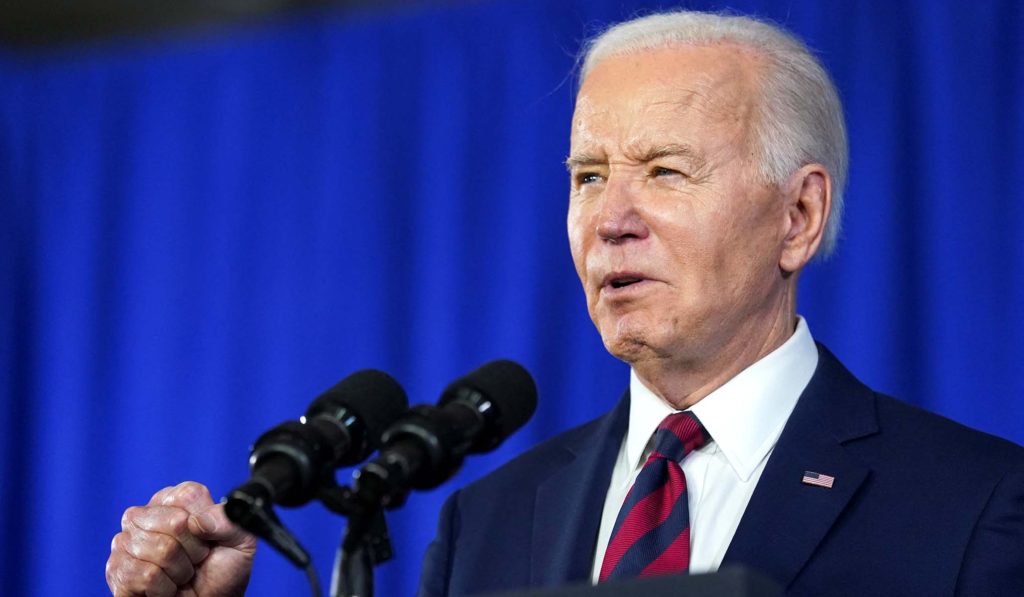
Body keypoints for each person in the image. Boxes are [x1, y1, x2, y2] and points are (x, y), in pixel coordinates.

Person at [106, 10, 1024, 597]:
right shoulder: (487, 523)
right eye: (588, 176)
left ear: (798, 214)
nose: (611, 219)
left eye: (665, 170)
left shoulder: (972, 503)